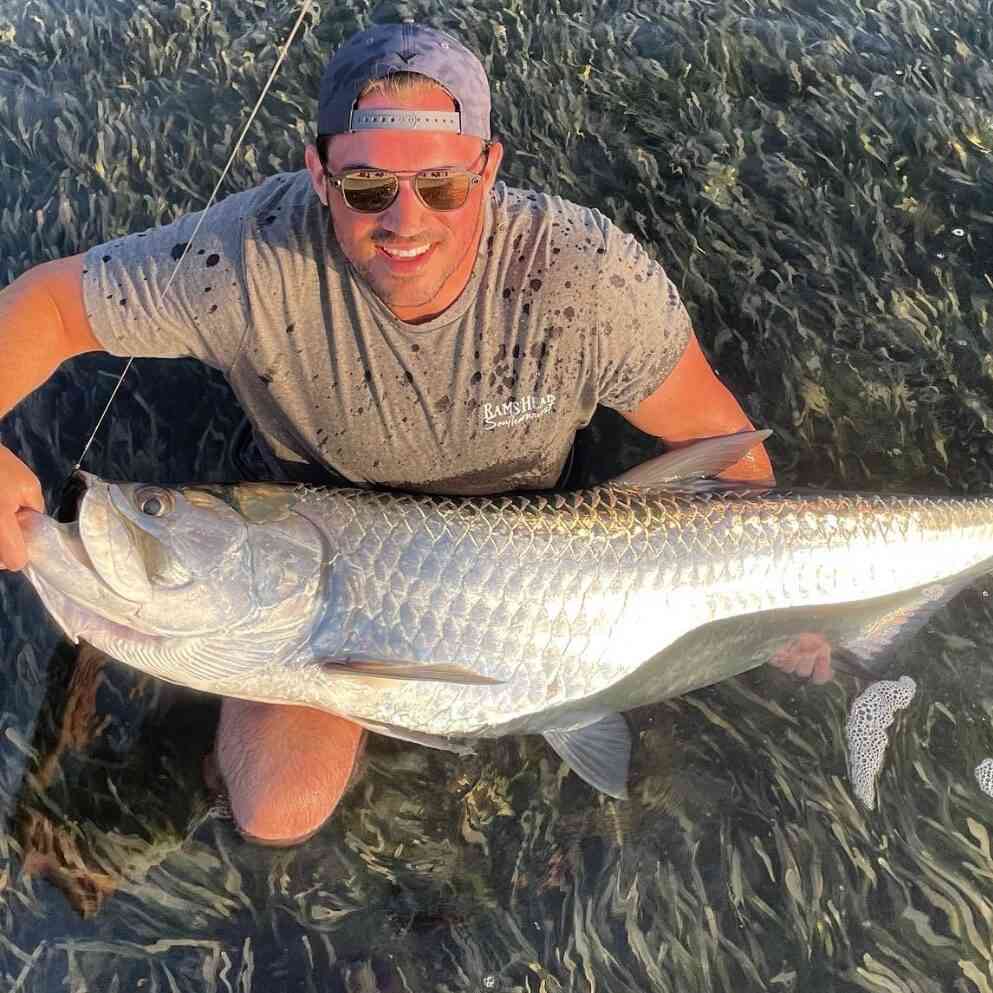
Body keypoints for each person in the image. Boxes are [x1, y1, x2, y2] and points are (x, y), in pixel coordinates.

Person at [0, 23, 830, 846]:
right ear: (318, 173)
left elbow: (727, 443)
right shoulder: (250, 257)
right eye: (365, 186)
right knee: (276, 807)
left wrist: (790, 597)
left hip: (559, 540)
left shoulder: (586, 275)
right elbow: (48, 304)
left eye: (441, 186)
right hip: (319, 527)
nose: (405, 222)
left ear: (488, 170)